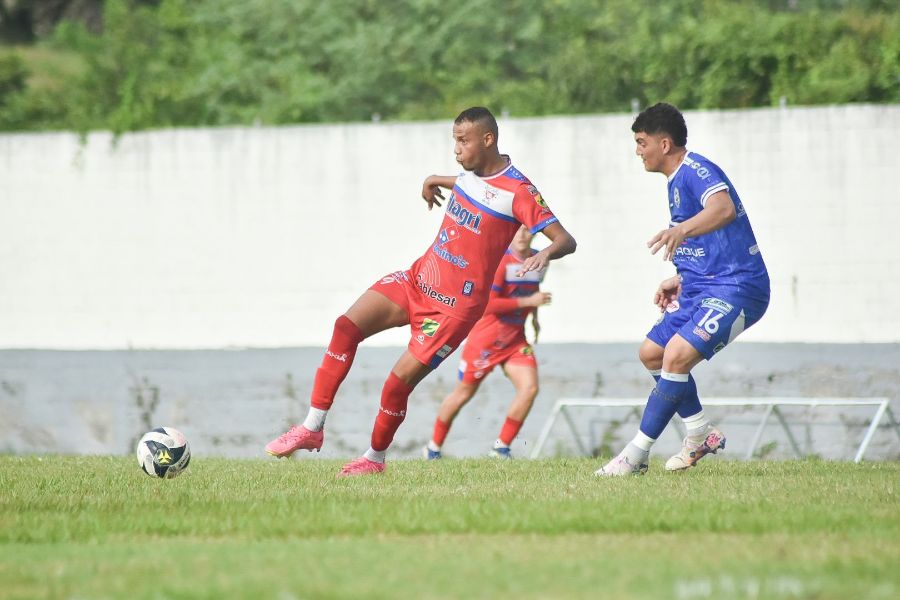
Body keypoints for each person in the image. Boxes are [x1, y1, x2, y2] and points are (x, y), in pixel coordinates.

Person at [265, 106, 577, 476]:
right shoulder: (471, 172)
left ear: (488, 139)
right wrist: (432, 179)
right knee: (345, 327)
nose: (457, 149)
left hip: (452, 310)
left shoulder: (519, 191)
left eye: (463, 141)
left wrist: (544, 253)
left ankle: (374, 459)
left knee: (396, 385)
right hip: (418, 280)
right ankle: (311, 427)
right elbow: (464, 183)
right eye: (454, 141)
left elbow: (566, 239)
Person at [597, 102, 770, 476]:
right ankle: (699, 432)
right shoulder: (675, 182)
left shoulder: (695, 170)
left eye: (641, 142)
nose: (637, 150)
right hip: (702, 285)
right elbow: (712, 238)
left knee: (676, 355)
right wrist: (680, 278)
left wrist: (680, 230)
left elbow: (722, 209)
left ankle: (635, 455)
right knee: (652, 353)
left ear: (664, 143)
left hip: (738, 288)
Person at [424, 225, 551, 460]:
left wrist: (535, 318)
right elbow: (488, 305)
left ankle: (501, 448)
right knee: (463, 394)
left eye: (527, 230)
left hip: (515, 341)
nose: (522, 235)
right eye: (517, 230)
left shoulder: (537, 260)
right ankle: (433, 447)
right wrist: (528, 303)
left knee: (529, 388)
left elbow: (530, 289)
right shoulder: (499, 262)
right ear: (509, 232)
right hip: (486, 341)